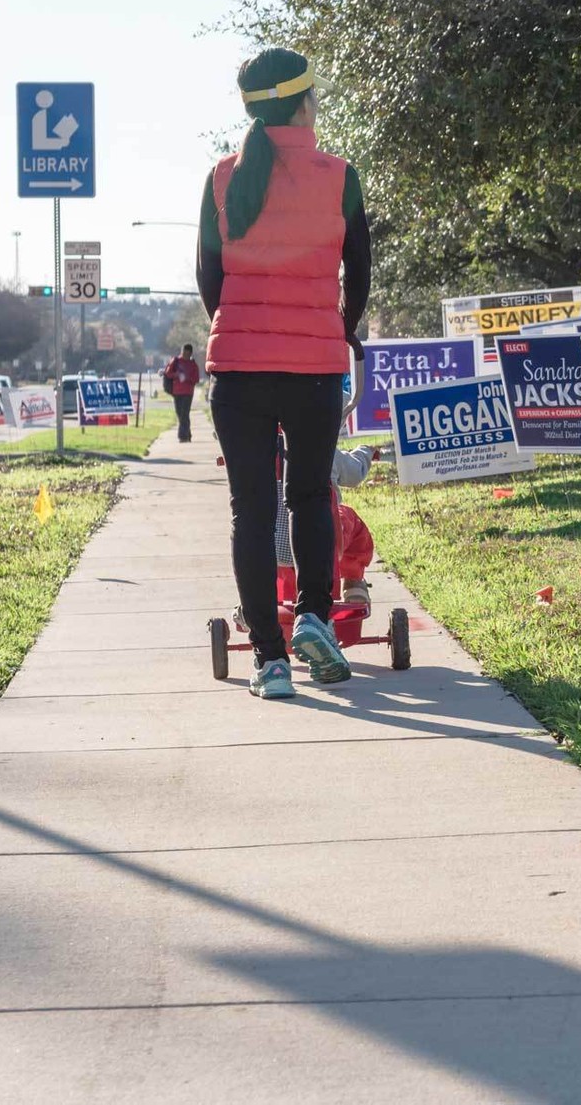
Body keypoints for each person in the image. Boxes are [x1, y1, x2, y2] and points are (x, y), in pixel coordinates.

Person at [197, 47, 371, 699]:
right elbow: (360, 272)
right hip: (314, 368)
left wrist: (239, 325)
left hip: (237, 370)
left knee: (251, 508)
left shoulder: (223, 177)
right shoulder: (340, 176)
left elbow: (208, 278)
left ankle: (270, 662)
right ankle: (315, 619)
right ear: (304, 103)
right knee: (308, 497)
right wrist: (338, 325)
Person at [161, 344, 201, 442]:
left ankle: (182, 436)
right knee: (180, 414)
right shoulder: (176, 361)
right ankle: (188, 433)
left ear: (190, 354)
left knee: (184, 413)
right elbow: (168, 373)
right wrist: (177, 375)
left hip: (188, 392)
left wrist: (187, 378)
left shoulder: (193, 364)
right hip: (177, 391)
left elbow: (196, 379)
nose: (185, 356)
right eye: (183, 353)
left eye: (187, 354)